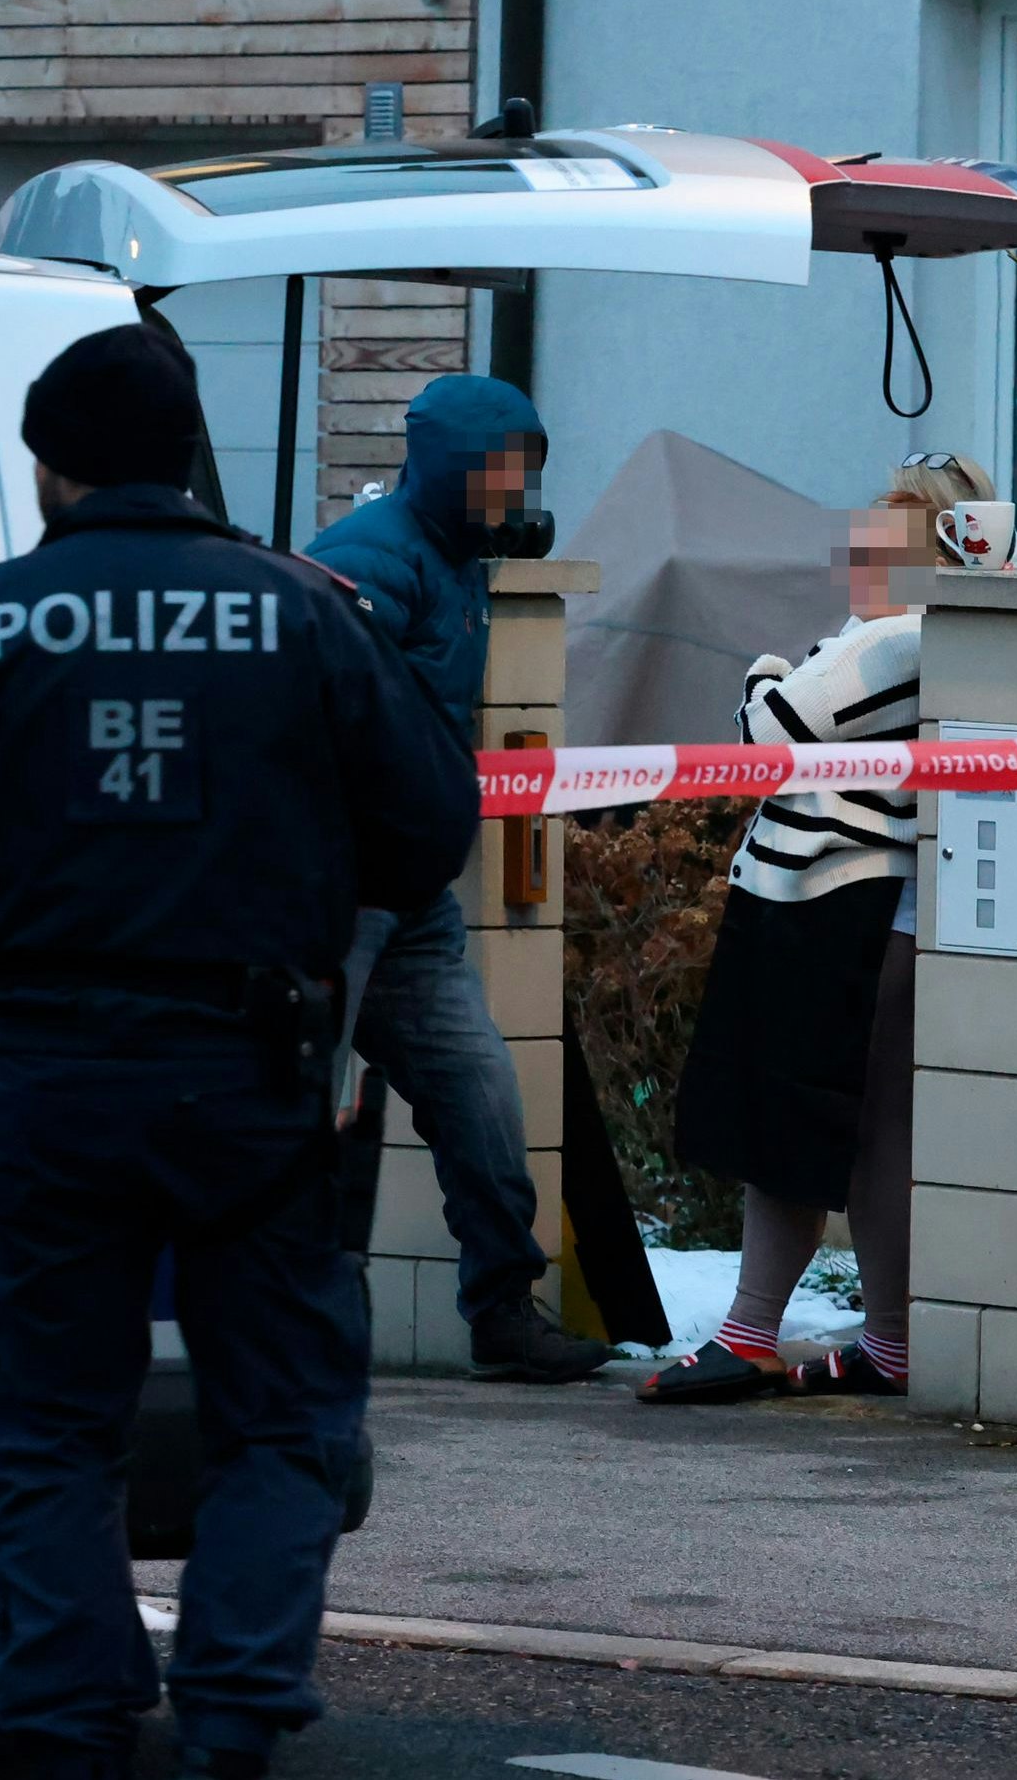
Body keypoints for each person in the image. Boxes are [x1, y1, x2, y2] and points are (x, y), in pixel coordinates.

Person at [0, 327, 480, 1780]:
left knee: (46, 1417)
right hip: (255, 1069)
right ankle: (236, 1708)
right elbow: (430, 827)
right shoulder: (308, 613)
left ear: (49, 466)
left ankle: (67, 1717)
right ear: (190, 454)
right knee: (283, 1409)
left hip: (55, 1066)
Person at [636, 453, 982, 1402]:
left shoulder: (893, 640)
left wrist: (765, 669)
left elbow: (768, 737)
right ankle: (890, 1344)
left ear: (932, 558)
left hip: (832, 904)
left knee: (788, 1120)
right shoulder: (936, 634)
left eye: (882, 546)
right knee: (875, 1135)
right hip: (885, 906)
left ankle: (748, 1334)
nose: (859, 561)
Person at [304, 374, 607, 1382]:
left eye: (526, 476)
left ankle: (503, 1313)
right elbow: (320, 708)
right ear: (446, 469)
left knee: (480, 1093)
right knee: (296, 1111)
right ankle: (280, 1321)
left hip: (413, 899)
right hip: (331, 897)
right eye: (498, 474)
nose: (514, 496)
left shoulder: (456, 556)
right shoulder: (366, 562)